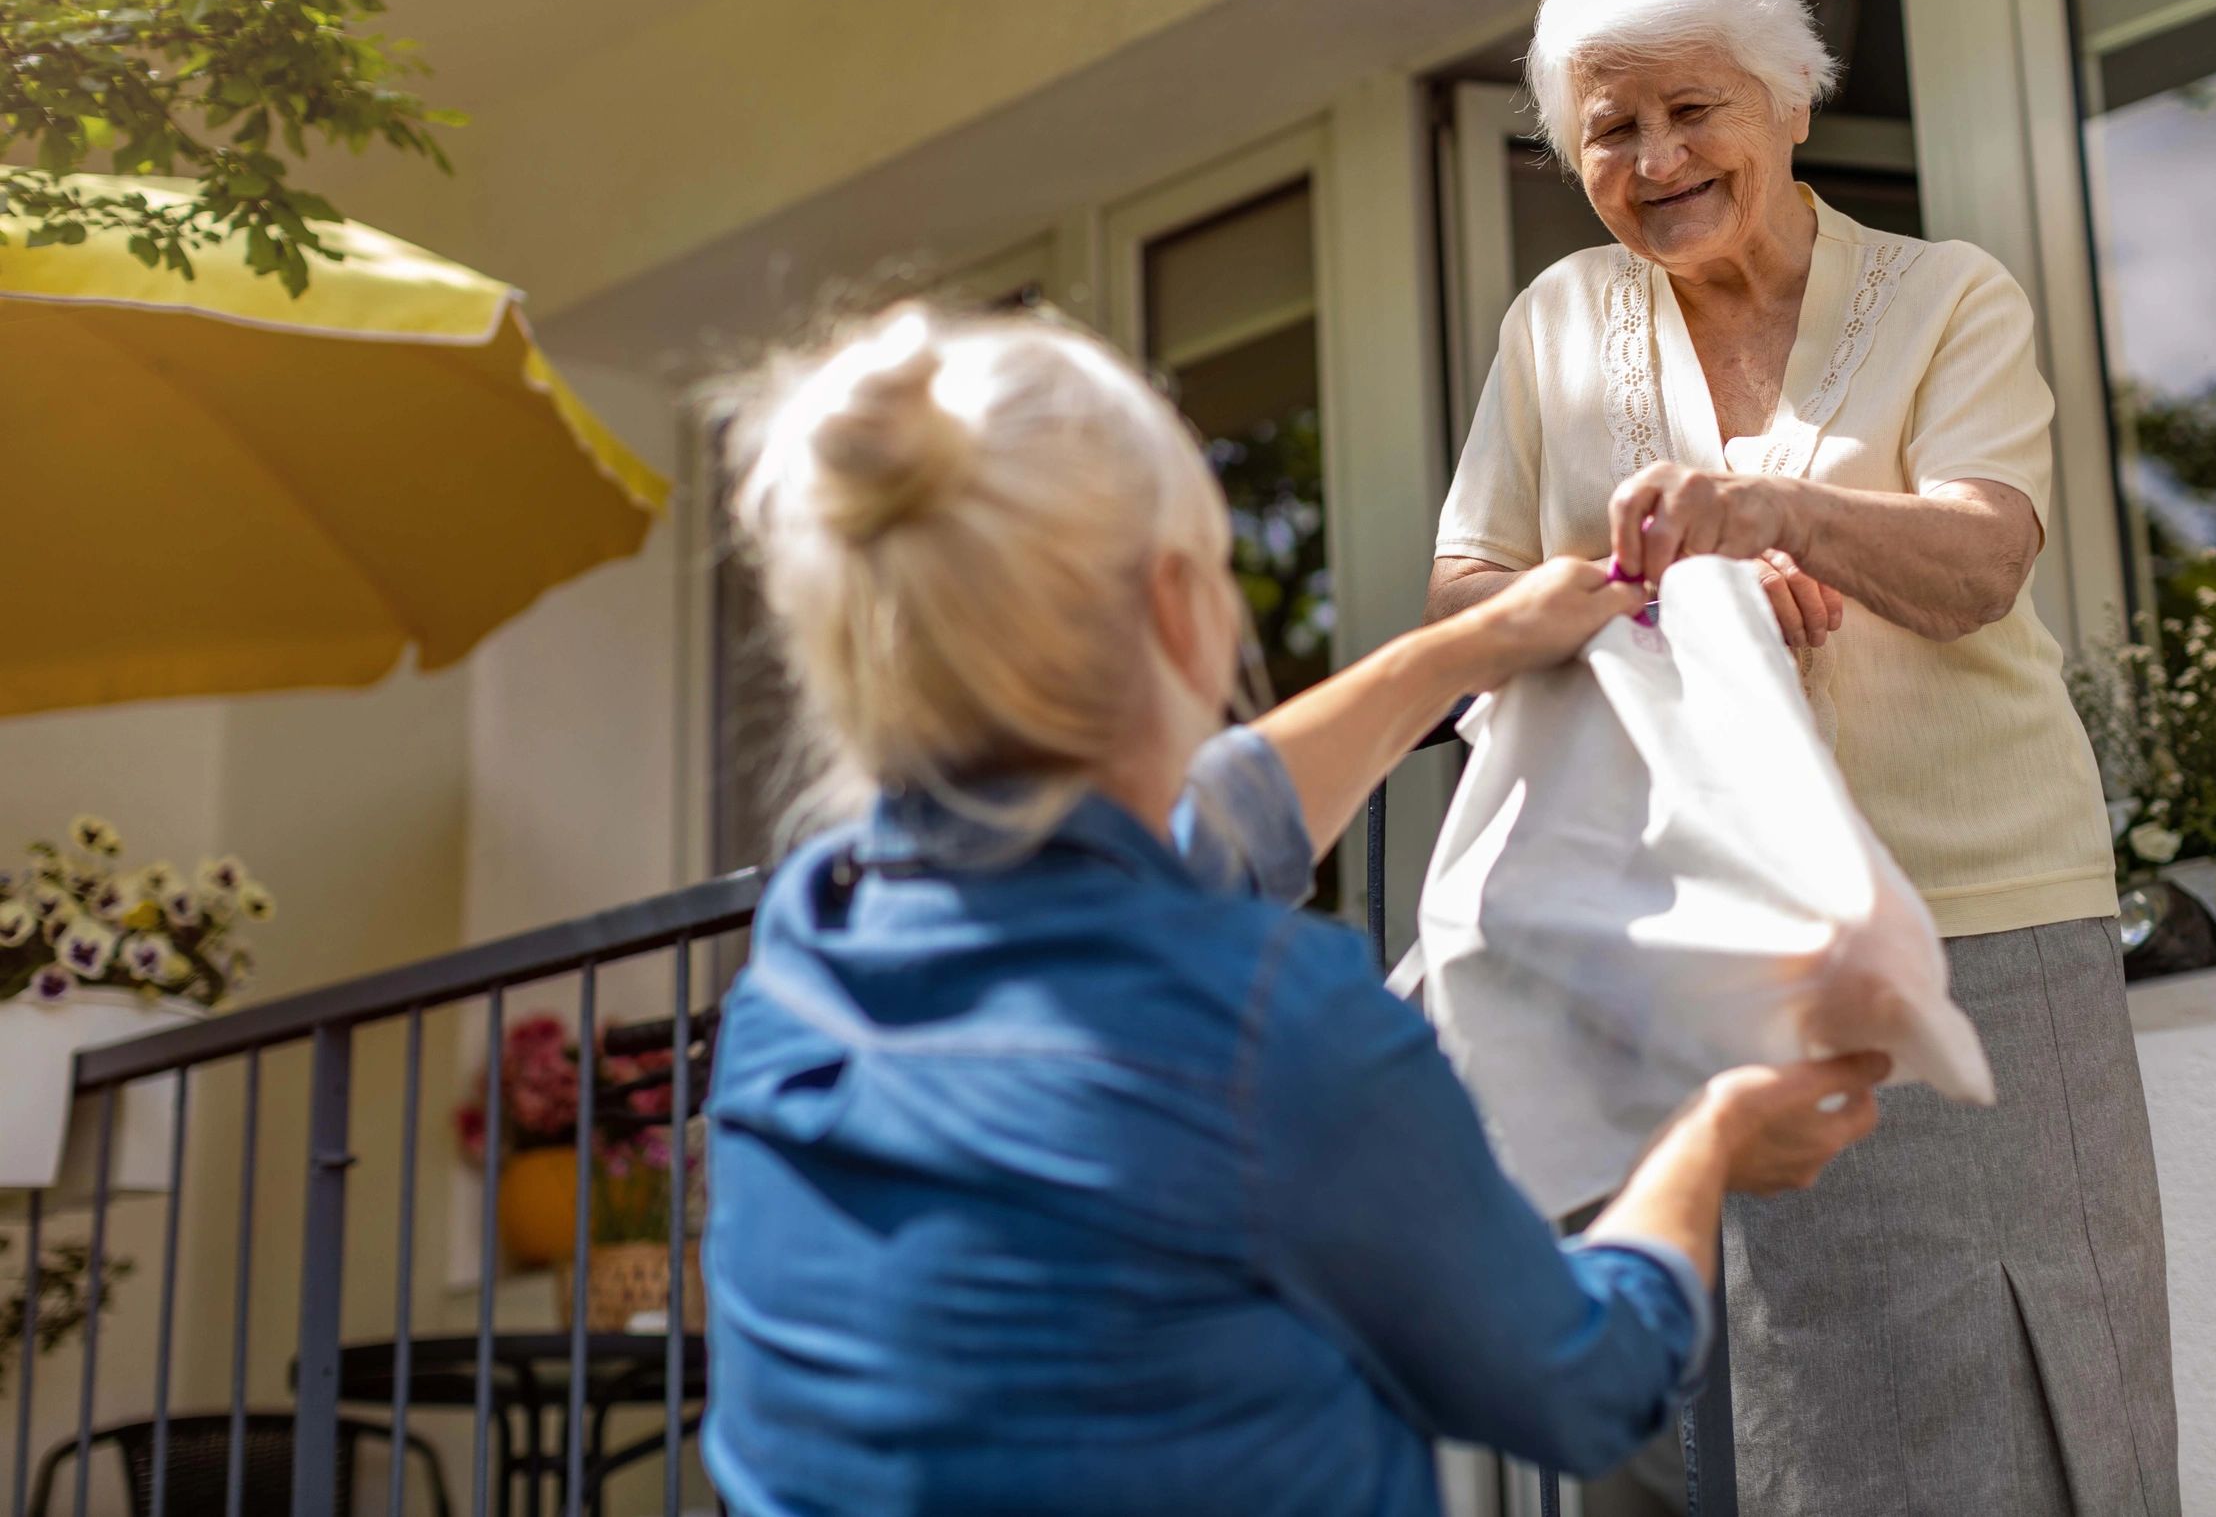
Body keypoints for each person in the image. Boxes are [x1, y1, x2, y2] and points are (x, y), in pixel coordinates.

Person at [701, 303, 1889, 1517]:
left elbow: (1190, 836)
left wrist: (1471, 646)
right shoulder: (1264, 1019)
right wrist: (1703, 1139)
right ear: (1178, 606)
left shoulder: (807, 940)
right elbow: (1578, 1382)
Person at [1429, 0, 2178, 1517]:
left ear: (1788, 104)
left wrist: (1776, 515)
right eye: (1608, 130)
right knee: (1746, 1425)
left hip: (1978, 916)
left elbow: (1981, 558)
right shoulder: (1557, 324)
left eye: (1692, 109)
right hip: (1667, 941)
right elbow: (1462, 607)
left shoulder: (1944, 298)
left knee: (2020, 1385)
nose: (1654, 158)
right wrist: (1659, 595)